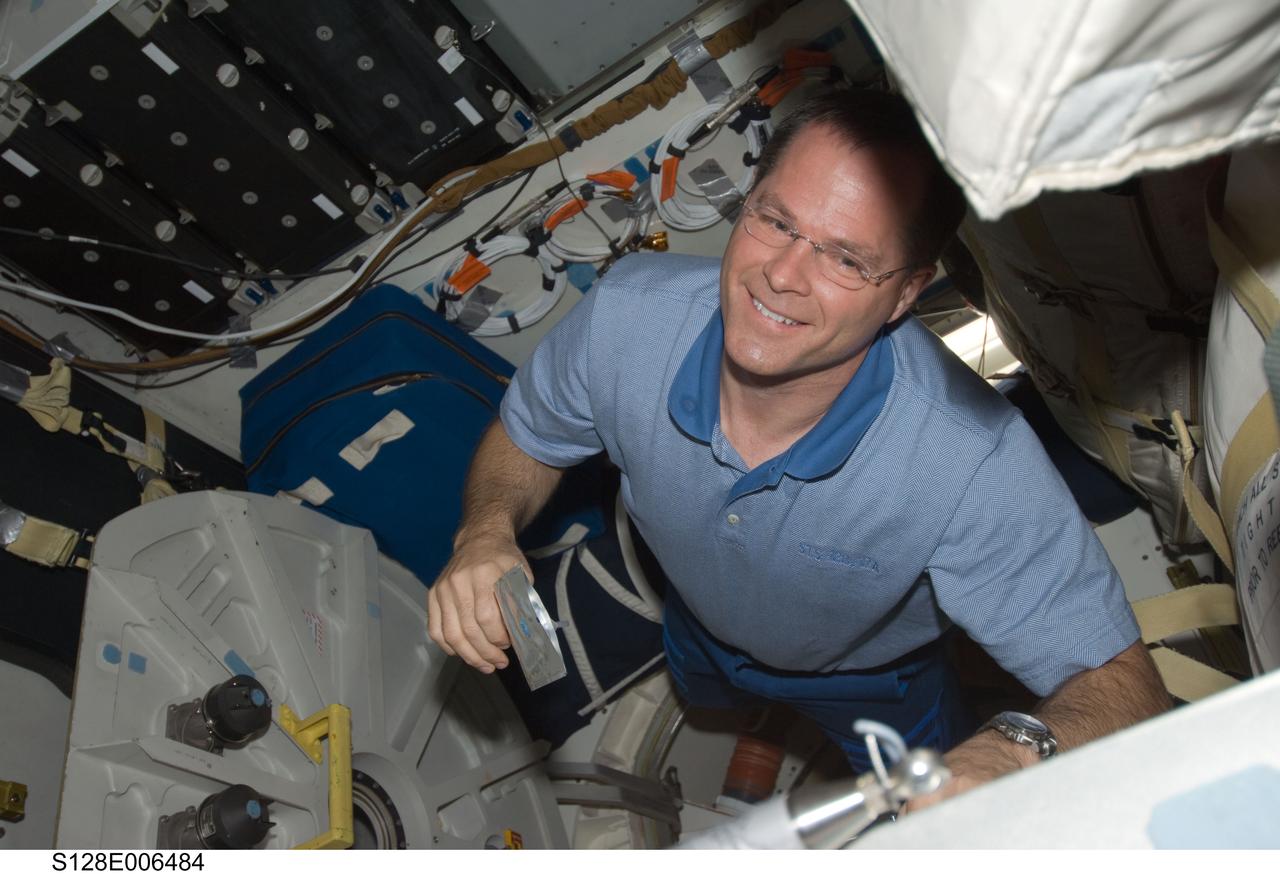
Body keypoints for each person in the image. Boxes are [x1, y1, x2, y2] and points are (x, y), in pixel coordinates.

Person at [427, 88, 1170, 809]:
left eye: (846, 260)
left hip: (871, 676)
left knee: (916, 801)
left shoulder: (971, 461)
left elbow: (1125, 682)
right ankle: (756, 719)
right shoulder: (626, 316)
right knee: (709, 689)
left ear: (907, 293)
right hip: (691, 619)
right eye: (775, 222)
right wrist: (484, 532)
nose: (781, 276)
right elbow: (527, 435)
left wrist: (1010, 750)